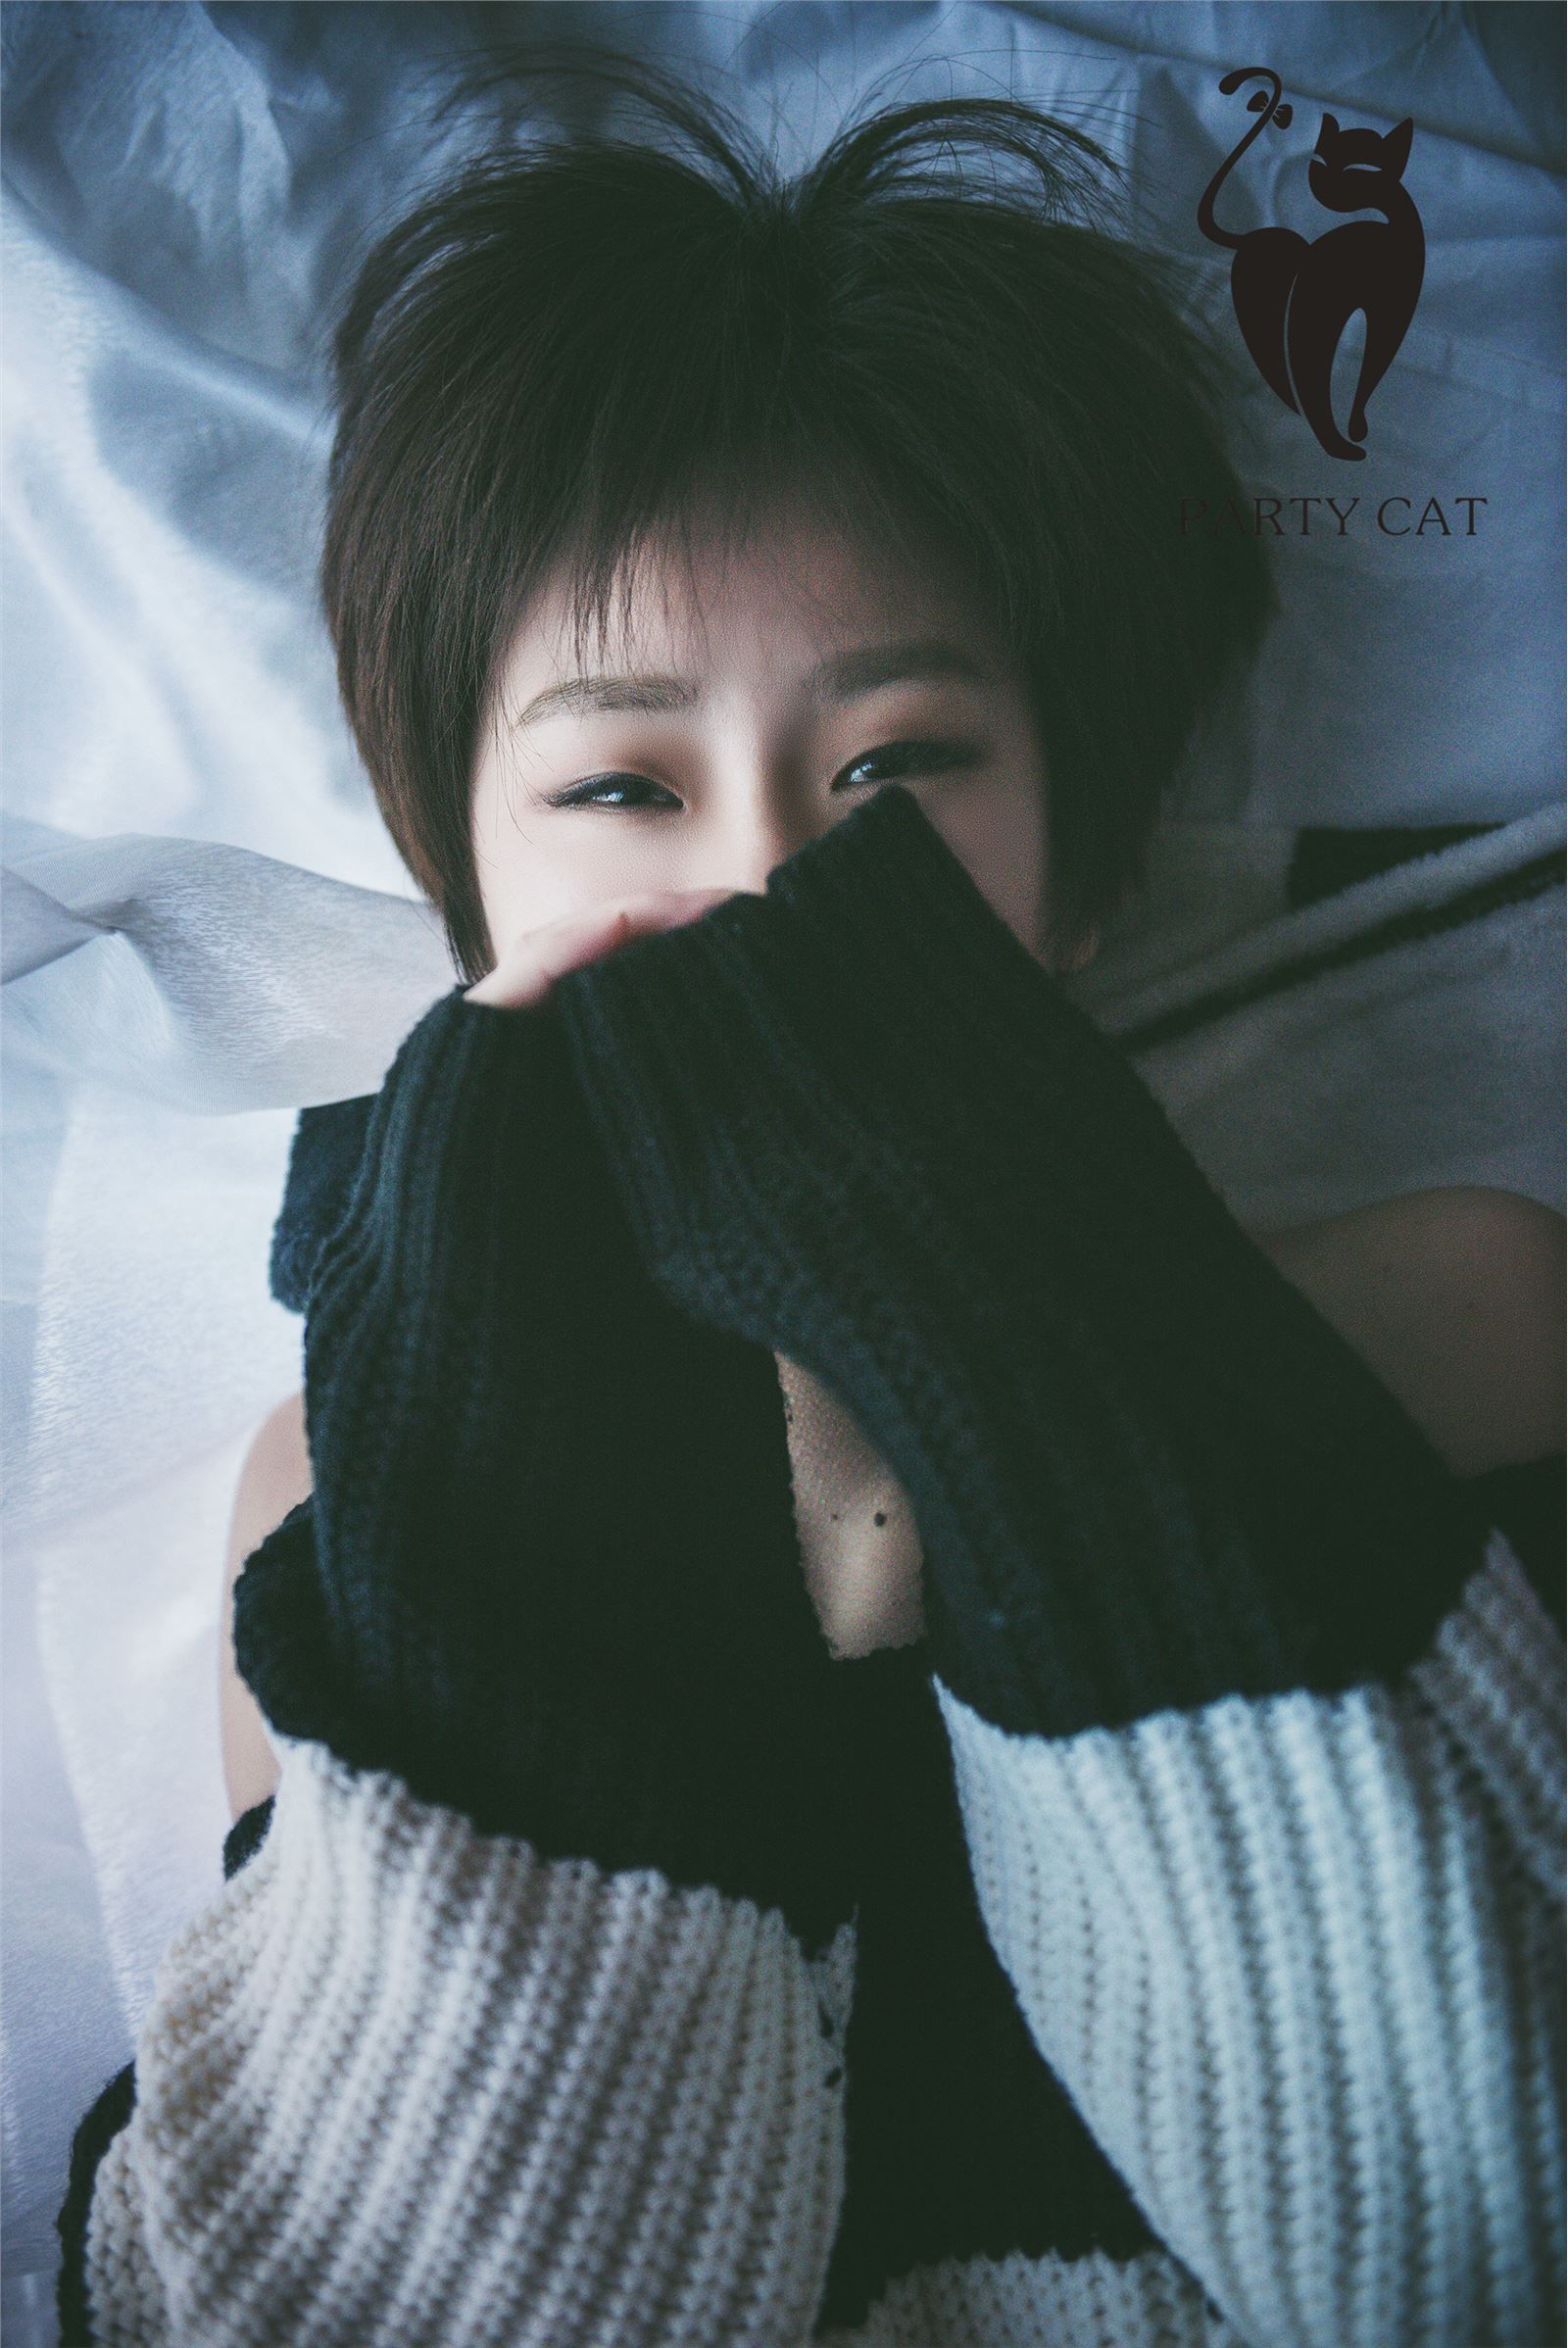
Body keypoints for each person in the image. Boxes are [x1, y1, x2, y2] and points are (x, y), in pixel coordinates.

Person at [59, 76, 1562, 2348]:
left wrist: (1045, 1335)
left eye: (896, 767)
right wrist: (512, 1526)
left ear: (1076, 869)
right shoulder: (355, 1497)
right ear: (467, 890)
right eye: (619, 781)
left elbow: (1479, 2233)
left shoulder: (1447, 1322)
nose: (764, 878)